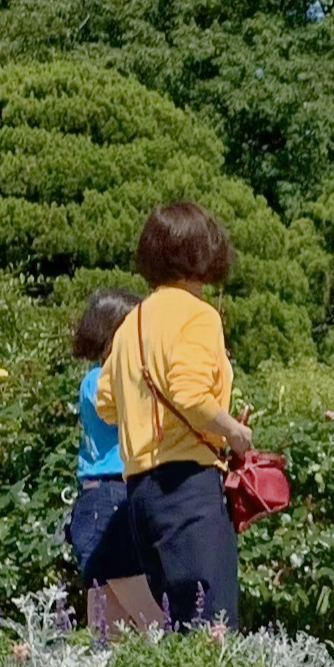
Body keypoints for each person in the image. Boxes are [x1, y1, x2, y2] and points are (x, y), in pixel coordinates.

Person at [95, 201, 254, 631]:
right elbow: (189, 394)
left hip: (140, 493)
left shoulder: (132, 323)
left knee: (178, 629)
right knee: (213, 628)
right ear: (205, 253)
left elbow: (105, 401)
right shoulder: (198, 315)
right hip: (188, 486)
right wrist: (234, 431)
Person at [66, 290, 162, 634]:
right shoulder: (100, 381)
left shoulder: (97, 378)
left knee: (109, 627)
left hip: (106, 498)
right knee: (151, 618)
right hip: (108, 499)